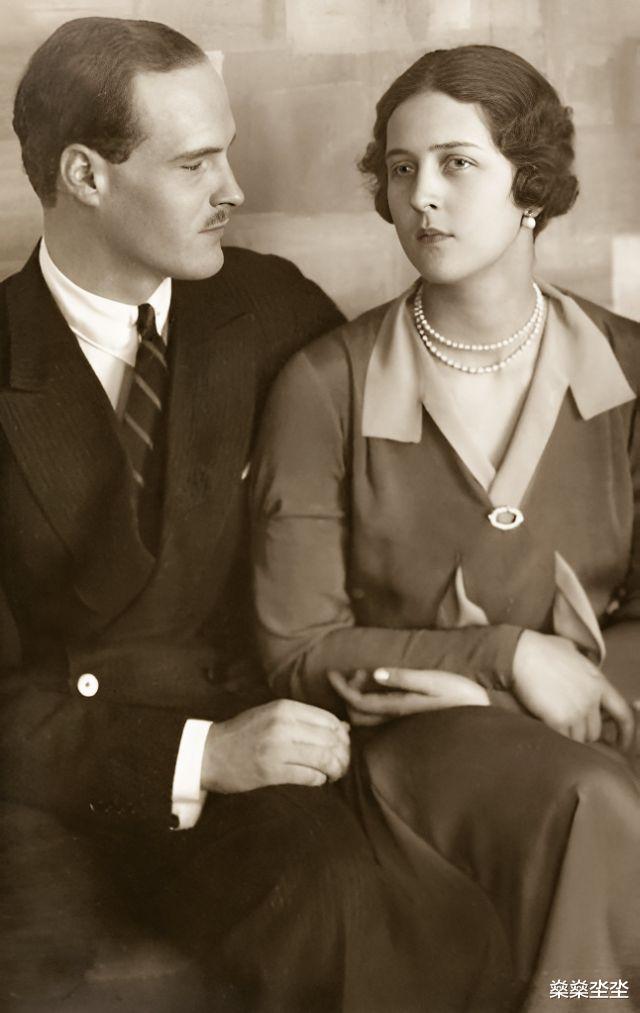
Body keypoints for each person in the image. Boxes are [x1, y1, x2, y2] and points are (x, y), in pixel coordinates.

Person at [0, 20, 514, 1012]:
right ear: (85, 175)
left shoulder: (271, 308)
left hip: (257, 767)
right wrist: (204, 755)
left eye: (226, 152)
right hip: (37, 792)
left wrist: (476, 656)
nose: (234, 189)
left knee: (360, 915)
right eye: (195, 162)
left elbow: (398, 522)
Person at [251, 44, 640, 1012]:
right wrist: (505, 659)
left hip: (602, 700)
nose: (420, 195)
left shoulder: (628, 367)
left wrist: (549, 684)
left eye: (456, 162)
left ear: (530, 185)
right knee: (591, 803)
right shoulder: (324, 384)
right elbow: (298, 649)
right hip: (421, 742)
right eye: (400, 168)